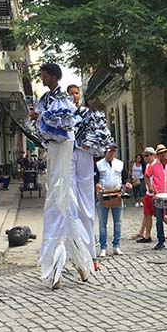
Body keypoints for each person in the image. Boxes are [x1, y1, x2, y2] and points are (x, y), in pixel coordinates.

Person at [35, 63, 94, 289]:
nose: (42, 78)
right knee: (63, 204)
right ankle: (80, 267)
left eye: (45, 75)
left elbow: (63, 125)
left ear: (53, 76)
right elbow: (44, 126)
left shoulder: (62, 99)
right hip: (53, 149)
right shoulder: (45, 98)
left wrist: (43, 119)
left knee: (60, 202)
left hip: (62, 147)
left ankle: (58, 272)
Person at [69, 89, 112, 269]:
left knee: (87, 207)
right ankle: (72, 254)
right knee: (70, 204)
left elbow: (100, 134)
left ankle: (91, 255)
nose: (74, 96)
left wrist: (91, 143)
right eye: (71, 93)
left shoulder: (88, 114)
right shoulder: (63, 113)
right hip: (69, 154)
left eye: (77, 93)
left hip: (85, 155)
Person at [95, 145, 132, 257]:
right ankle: (103, 247)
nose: (111, 153)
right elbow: (95, 179)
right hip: (104, 195)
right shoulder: (98, 164)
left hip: (117, 194)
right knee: (102, 223)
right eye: (109, 151)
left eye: (113, 151)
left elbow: (125, 177)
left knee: (118, 222)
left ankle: (116, 246)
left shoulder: (120, 164)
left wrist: (127, 183)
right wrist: (96, 185)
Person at [135, 147, 157, 243]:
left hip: (155, 194)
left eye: (148, 155)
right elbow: (146, 177)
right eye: (145, 156)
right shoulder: (148, 165)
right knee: (147, 214)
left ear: (153, 155)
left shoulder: (157, 165)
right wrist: (148, 186)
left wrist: (155, 189)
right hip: (148, 193)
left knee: (161, 216)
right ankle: (147, 236)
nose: (146, 157)